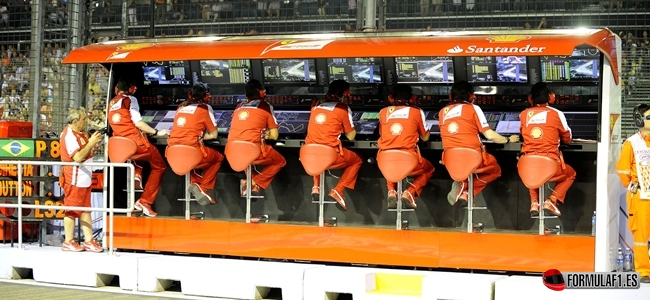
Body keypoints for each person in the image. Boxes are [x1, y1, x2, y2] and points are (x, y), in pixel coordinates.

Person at [440, 81, 519, 206]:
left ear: (450, 96)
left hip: (450, 160)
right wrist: (508, 139)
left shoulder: (442, 112)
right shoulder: (473, 108)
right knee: (495, 170)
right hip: (473, 158)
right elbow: (490, 135)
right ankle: (466, 190)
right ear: (471, 96)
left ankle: (463, 188)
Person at [107, 78, 168, 217]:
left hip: (121, 147)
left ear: (117, 88)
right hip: (136, 143)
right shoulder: (131, 100)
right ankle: (144, 201)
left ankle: (137, 173)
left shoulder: (111, 102)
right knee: (159, 166)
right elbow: (139, 123)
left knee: (138, 155)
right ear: (131, 89)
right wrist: (157, 132)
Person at [520, 82, 576, 217]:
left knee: (533, 171)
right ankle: (552, 200)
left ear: (530, 98)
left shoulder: (523, 114)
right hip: (551, 166)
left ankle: (534, 202)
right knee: (570, 174)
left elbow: (522, 133)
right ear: (551, 97)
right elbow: (567, 138)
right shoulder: (556, 114)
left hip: (526, 165)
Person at [305, 80, 362, 211]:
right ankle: (338, 190)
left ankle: (316, 186)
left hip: (308, 155)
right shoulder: (342, 108)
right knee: (357, 160)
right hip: (330, 156)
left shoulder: (316, 106)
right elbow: (351, 136)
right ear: (344, 93)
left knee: (317, 153)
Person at [377, 84, 434, 209]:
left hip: (384, 159)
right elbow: (425, 137)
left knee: (391, 163)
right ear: (412, 98)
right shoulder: (417, 111)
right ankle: (409, 192)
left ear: (391, 98)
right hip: (409, 160)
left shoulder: (383, 112)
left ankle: (391, 190)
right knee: (429, 169)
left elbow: (382, 133)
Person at [167, 84, 224, 205]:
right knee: (218, 158)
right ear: (205, 96)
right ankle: (203, 187)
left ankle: (196, 183)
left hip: (172, 153)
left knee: (191, 161)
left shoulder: (180, 107)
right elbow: (213, 135)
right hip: (192, 151)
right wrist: (200, 136)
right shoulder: (204, 108)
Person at [228, 79, 286, 197]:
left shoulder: (239, 106)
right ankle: (252, 182)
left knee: (246, 160)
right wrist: (267, 134)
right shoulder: (265, 106)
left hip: (232, 151)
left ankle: (253, 186)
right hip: (253, 150)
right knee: (280, 162)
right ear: (260, 92)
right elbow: (274, 136)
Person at [59, 107, 104, 252]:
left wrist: (95, 143)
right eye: (84, 119)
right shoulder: (69, 136)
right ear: (75, 121)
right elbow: (77, 157)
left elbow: (86, 152)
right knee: (71, 211)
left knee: (85, 210)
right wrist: (91, 142)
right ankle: (68, 241)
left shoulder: (79, 134)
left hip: (84, 179)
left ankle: (88, 240)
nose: (86, 122)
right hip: (74, 179)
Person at [616, 103, 650, 284]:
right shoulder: (631, 143)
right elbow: (622, 169)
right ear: (639, 120)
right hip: (641, 196)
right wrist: (631, 185)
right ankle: (644, 271)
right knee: (641, 236)